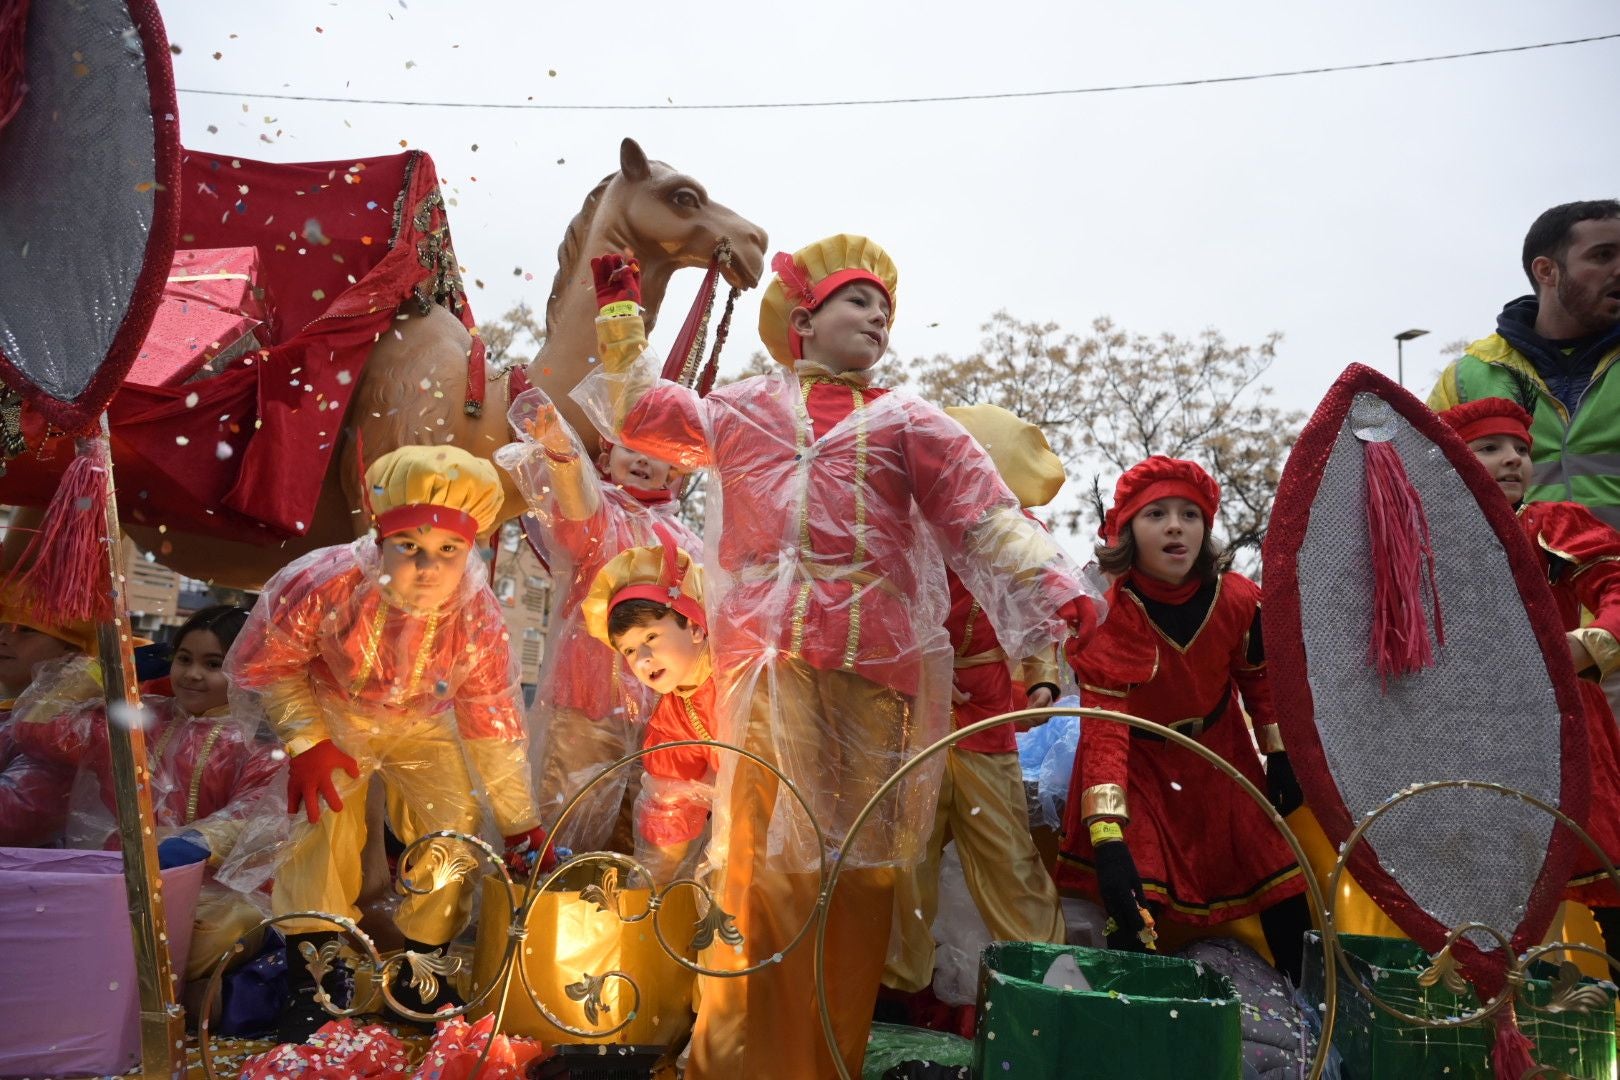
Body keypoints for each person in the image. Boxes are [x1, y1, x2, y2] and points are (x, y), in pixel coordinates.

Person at [573, 235, 1102, 1078]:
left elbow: (987, 514)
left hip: (873, 679)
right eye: (862, 303)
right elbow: (639, 412)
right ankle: (733, 1054)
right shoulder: (744, 409)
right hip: (769, 670)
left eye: (887, 311)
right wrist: (621, 317)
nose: (880, 320)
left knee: (860, 872)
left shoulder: (909, 422)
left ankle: (824, 1057)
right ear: (804, 320)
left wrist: (1056, 585)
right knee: (757, 863)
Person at [226, 444, 550, 1040]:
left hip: (423, 722)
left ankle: (422, 973)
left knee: (450, 822)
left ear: (469, 552)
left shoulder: (475, 614)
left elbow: (493, 716)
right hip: (334, 711)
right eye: (411, 548)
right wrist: (308, 741)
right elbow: (270, 660)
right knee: (322, 825)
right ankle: (316, 980)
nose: (429, 567)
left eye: (448, 551)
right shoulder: (327, 581)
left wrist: (518, 820)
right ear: (380, 542)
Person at [1056, 456, 1310, 982]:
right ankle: (1138, 1015)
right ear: (1127, 534)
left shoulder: (1238, 598)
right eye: (1157, 515)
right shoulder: (1112, 617)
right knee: (1133, 896)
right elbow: (1105, 732)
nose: (1176, 525)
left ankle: (1311, 1010)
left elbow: (1258, 679)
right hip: (1138, 765)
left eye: (1190, 515)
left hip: (1221, 755)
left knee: (1282, 880)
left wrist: (1279, 753)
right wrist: (1107, 835)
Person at [884, 403, 1068, 996]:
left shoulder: (1016, 545)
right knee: (906, 857)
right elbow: (885, 614)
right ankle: (894, 986)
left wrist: (1043, 676)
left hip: (988, 715)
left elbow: (1036, 615)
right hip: (915, 718)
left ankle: (1046, 981)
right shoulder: (908, 535)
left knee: (1008, 851)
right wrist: (921, 668)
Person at [10, 604, 288, 983]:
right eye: (184, 659)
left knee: (231, 928)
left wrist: (195, 844)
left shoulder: (260, 740)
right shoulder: (140, 720)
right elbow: (34, 728)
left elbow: (261, 815)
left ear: (244, 671)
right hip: (121, 880)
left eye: (213, 665)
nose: (192, 675)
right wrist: (102, 673)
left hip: (210, 895)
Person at [1438, 397, 1620, 948]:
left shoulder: (1548, 522)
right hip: (1468, 741)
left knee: (1606, 881)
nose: (1513, 459)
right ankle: (1519, 1027)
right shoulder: (1423, 546)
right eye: (1490, 448)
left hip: (1561, 732)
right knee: (1499, 916)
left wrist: (1591, 643)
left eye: (1521, 448)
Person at [495, 390, 697, 854]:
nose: (642, 461)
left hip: (658, 715)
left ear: (676, 470)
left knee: (640, 832)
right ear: (608, 454)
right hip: (587, 702)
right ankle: (540, 917)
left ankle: (623, 920)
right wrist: (563, 453)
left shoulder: (685, 540)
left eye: (657, 453)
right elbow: (578, 506)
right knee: (566, 819)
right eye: (631, 448)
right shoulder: (601, 516)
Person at [1427, 200, 1620, 530]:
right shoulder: (1465, 376)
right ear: (1546, 270)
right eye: (1603, 255)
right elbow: (1426, 491)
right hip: (1509, 581)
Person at [582, 534, 715, 881]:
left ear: (697, 627)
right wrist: (650, 890)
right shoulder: (670, 723)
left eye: (651, 638)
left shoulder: (741, 675)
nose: (641, 660)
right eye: (627, 651)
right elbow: (669, 816)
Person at [0, 592, 90, 846]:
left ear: (70, 648)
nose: (3, 638)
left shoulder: (64, 729)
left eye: (25, 630)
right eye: (1, 626)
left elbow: (16, 813)